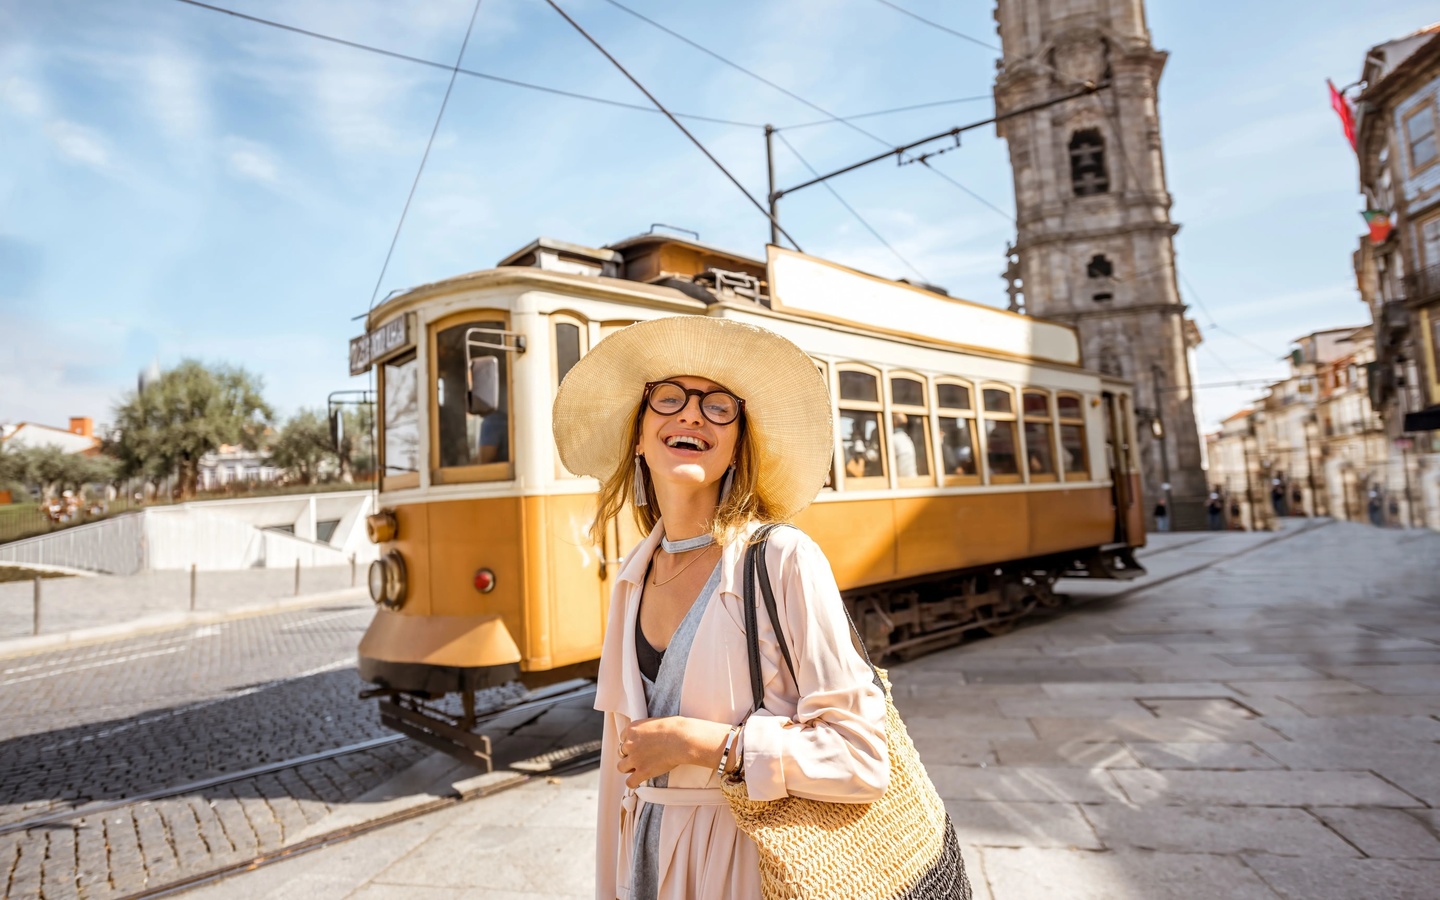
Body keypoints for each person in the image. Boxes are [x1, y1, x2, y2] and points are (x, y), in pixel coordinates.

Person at [553, 317, 892, 900]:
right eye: (669, 399)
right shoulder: (633, 579)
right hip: (647, 864)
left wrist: (706, 745)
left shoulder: (783, 557)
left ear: (737, 445)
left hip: (748, 868)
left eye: (718, 407)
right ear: (637, 436)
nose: (690, 415)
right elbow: (619, 777)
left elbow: (862, 757)